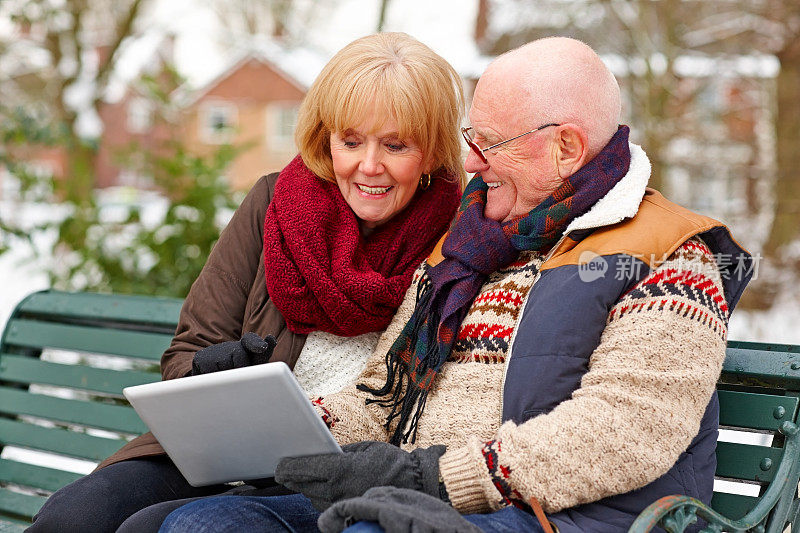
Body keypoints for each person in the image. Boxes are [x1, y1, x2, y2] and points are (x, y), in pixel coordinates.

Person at [157, 36, 755, 533]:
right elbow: (384, 395)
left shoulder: (668, 256)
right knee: (206, 523)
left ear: (566, 149)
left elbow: (622, 432)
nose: (469, 162)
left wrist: (431, 477)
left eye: (489, 144)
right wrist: (291, 428)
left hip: (554, 515)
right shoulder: (471, 248)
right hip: (418, 498)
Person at [26, 32, 465, 533]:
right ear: (327, 138)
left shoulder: (457, 239)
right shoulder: (275, 203)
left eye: (395, 145)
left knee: (146, 529)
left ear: (430, 153)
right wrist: (213, 371)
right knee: (73, 519)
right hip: (219, 450)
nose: (369, 166)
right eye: (350, 141)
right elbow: (185, 354)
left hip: (341, 469)